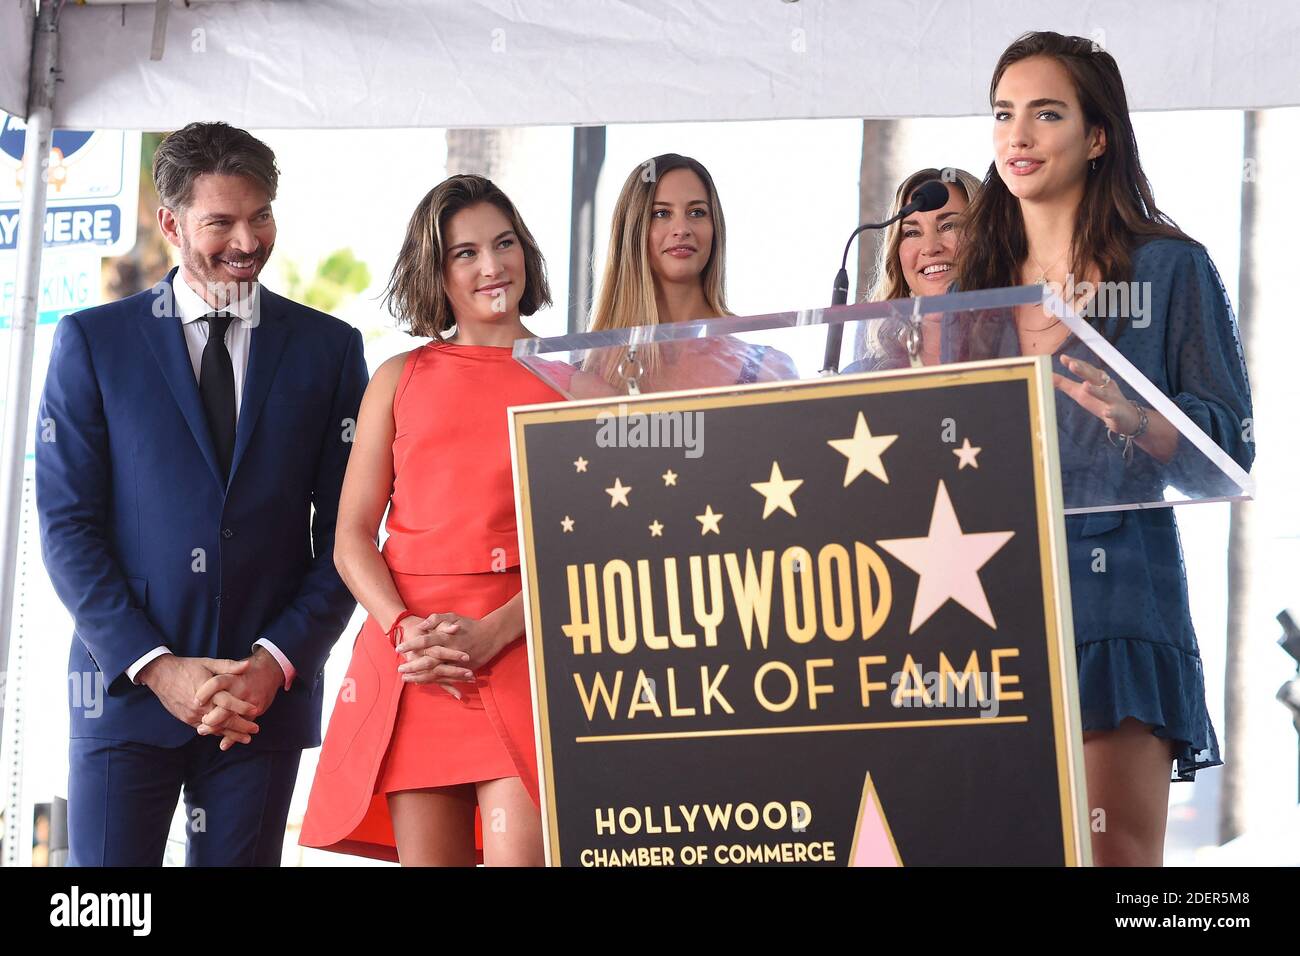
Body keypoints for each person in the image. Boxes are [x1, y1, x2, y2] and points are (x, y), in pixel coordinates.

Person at [951, 31, 1253, 865]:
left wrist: (1140, 418)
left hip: (1115, 595)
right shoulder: (972, 292)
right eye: (1004, 114)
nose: (1017, 135)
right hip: (979, 593)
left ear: (1096, 137)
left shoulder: (1168, 270)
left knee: (1110, 858)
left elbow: (1229, 443)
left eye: (1046, 114)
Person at [36, 121, 368, 866]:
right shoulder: (94, 343)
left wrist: (274, 662)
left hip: (260, 706)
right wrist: (156, 666)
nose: (246, 241)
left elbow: (350, 533)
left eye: (261, 217)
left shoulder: (329, 349)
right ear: (171, 221)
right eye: (221, 222)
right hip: (123, 696)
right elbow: (67, 527)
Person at [300, 175, 567, 866]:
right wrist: (403, 628)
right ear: (436, 272)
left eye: (504, 244)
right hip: (417, 668)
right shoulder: (397, 376)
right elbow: (351, 538)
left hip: (525, 656)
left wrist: (495, 633)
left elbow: (588, 546)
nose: (491, 266)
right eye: (465, 253)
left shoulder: (576, 378)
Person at [587, 153, 796, 391]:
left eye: (697, 212)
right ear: (633, 233)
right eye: (661, 214)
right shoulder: (589, 374)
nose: (682, 229)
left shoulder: (768, 370)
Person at [844, 166, 982, 372]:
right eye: (912, 233)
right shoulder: (863, 376)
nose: (930, 247)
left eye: (948, 226)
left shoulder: (1024, 351)